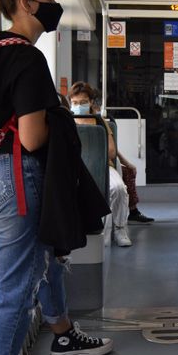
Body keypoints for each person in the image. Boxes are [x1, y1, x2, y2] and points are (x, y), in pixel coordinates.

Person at [0, 0, 112, 355]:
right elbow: (31, 137)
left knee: (44, 256)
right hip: (17, 181)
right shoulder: (26, 57)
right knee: (17, 284)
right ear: (24, 2)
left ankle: (64, 332)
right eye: (49, 0)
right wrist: (63, 124)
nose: (53, 8)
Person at [68, 82, 134, 246]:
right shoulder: (67, 121)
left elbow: (111, 151)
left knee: (118, 188)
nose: (79, 106)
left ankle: (119, 229)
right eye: (75, 103)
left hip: (102, 166)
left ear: (91, 102)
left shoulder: (100, 122)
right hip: (74, 168)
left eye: (83, 102)